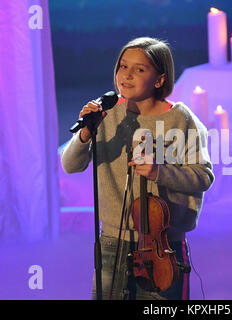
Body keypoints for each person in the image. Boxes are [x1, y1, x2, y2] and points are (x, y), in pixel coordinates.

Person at [61, 37, 214, 300]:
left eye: (139, 69)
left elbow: (203, 176)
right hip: (112, 241)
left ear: (159, 79)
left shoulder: (180, 118)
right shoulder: (106, 115)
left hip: (163, 245)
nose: (127, 75)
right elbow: (70, 165)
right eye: (123, 66)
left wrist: (159, 172)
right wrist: (85, 133)